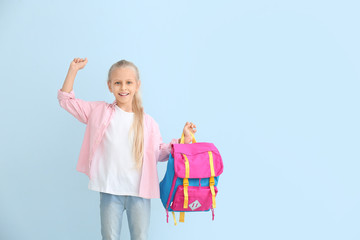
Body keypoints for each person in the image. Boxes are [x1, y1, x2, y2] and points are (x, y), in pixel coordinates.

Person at [57, 57, 197, 240]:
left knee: (140, 237)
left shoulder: (148, 122)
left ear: (137, 85)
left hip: (139, 192)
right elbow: (66, 101)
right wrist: (73, 70)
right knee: (109, 237)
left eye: (128, 83)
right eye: (118, 83)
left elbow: (161, 153)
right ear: (110, 86)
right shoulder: (99, 112)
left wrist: (183, 140)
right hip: (109, 190)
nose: (123, 88)